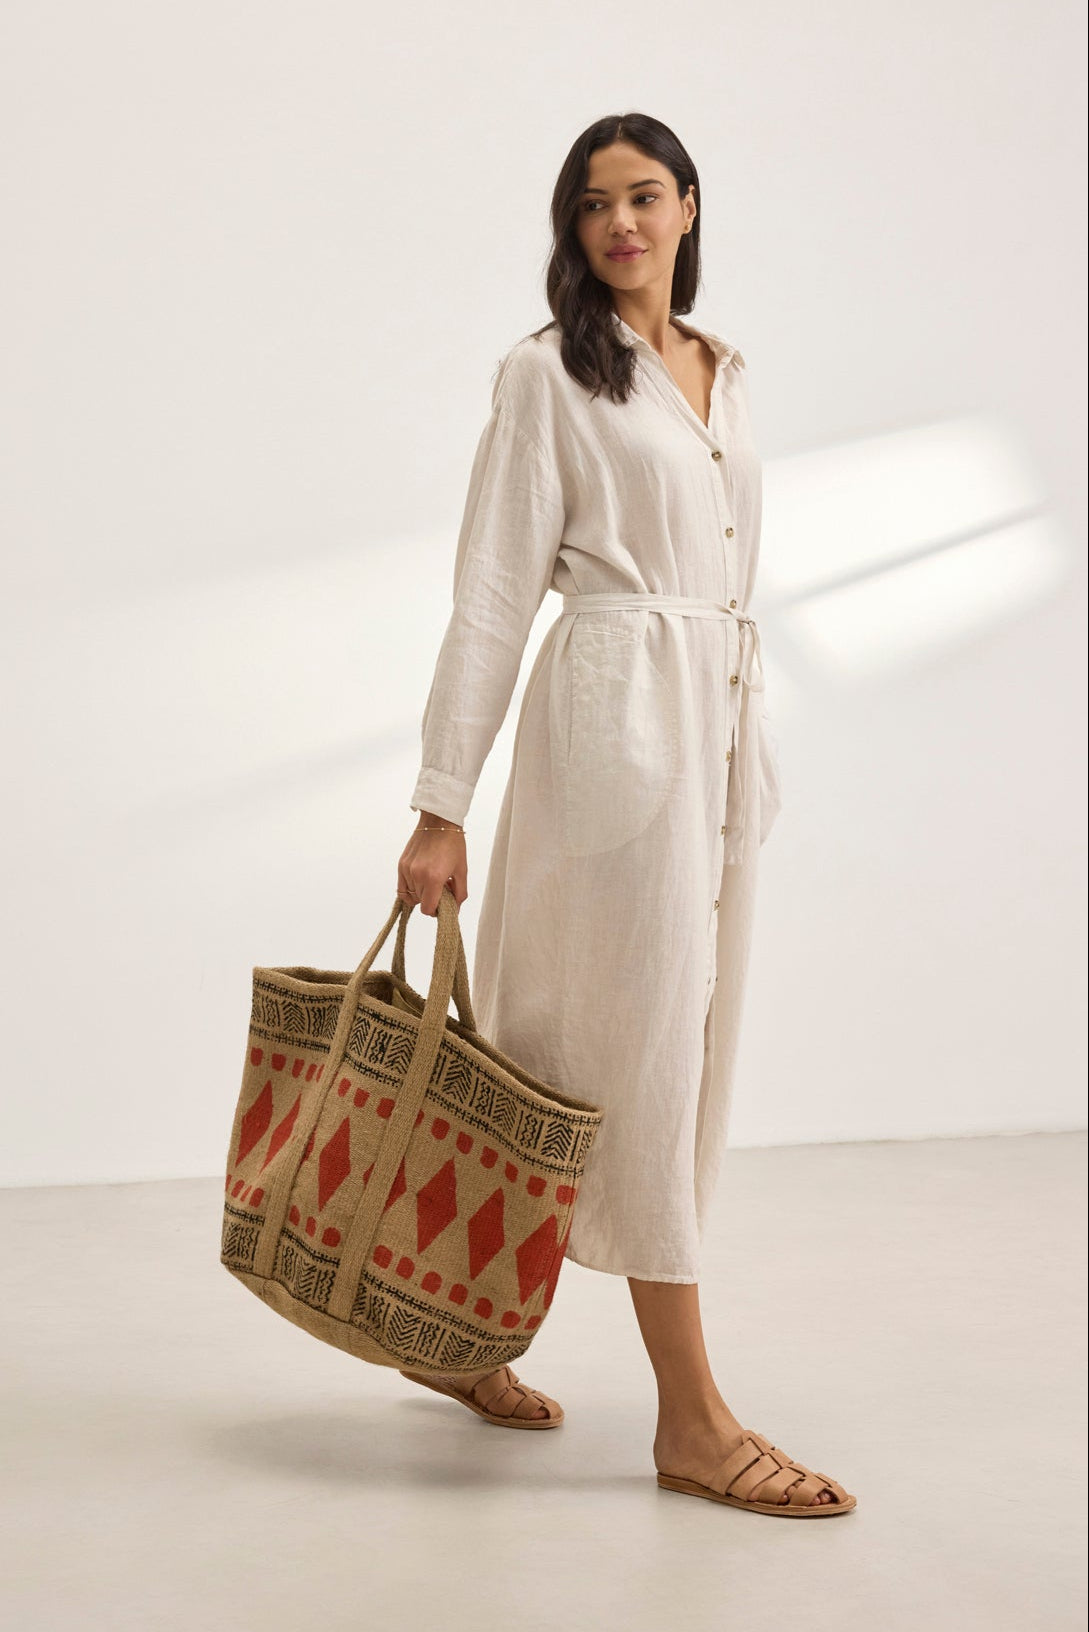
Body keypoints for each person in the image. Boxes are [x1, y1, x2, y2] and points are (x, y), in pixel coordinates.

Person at [395, 112, 855, 1517]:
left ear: (688, 206)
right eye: (593, 204)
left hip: (708, 732)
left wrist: (741, 746)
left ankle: (464, 1339)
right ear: (570, 226)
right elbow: (489, 596)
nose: (620, 226)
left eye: (643, 197)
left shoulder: (724, 370)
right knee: (618, 1057)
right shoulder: (545, 377)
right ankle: (690, 1418)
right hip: (608, 730)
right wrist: (438, 805)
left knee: (618, 1048)